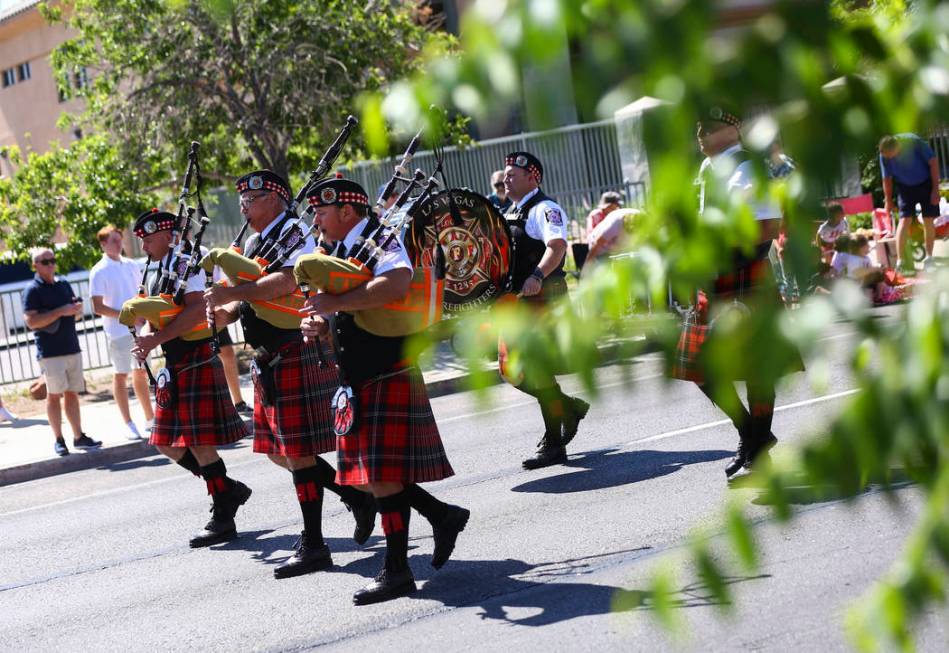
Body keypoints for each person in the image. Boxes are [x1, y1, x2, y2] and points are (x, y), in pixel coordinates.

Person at [300, 177, 469, 605]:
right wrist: (321, 323)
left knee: (380, 476)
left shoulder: (379, 238)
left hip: (385, 367)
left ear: (348, 211)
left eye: (322, 211)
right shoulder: (337, 250)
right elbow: (344, 304)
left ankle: (397, 570)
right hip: (356, 372)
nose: (316, 218)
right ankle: (441, 516)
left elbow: (395, 284)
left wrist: (334, 306)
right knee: (375, 477)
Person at [204, 170, 376, 579]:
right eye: (242, 198)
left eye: (255, 196)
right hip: (266, 355)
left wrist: (234, 294)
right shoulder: (251, 242)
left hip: (295, 348)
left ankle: (314, 544)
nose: (245, 204)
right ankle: (353, 494)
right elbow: (240, 299)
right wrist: (219, 312)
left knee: (297, 452)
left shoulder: (297, 233)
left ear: (279, 199)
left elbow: (283, 282)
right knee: (279, 451)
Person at [670, 105, 802, 479]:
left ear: (736, 129)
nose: (701, 133)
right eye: (699, 126)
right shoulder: (706, 168)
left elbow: (767, 229)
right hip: (713, 278)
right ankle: (752, 434)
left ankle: (756, 447)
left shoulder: (748, 167)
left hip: (744, 274)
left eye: (710, 126)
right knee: (699, 367)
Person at [129, 209, 251, 548]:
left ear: (169, 235)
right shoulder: (152, 268)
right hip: (174, 360)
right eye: (142, 240)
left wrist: (155, 338)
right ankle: (227, 488)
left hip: (196, 357)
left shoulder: (187, 263)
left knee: (199, 442)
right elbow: (156, 310)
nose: (145, 245)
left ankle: (223, 514)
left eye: (149, 238)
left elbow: (197, 310)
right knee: (165, 442)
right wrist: (144, 335)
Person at [500, 151, 590, 469]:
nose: (506, 178)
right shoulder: (513, 211)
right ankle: (569, 407)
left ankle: (553, 444)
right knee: (511, 368)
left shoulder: (545, 209)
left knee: (536, 369)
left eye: (513, 174)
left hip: (543, 299)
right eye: (506, 173)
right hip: (518, 304)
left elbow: (557, 247)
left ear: (532, 177)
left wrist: (537, 276)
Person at [22, 247, 101, 457]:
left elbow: (73, 313)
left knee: (72, 394)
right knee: (54, 396)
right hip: (50, 352)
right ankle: (59, 440)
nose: (50, 264)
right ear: (35, 266)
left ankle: (79, 436)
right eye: (45, 261)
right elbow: (31, 321)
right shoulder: (32, 290)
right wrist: (61, 311)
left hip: (71, 346)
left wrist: (75, 310)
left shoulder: (64, 284)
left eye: (52, 260)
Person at [89, 225, 155, 440]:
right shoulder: (99, 270)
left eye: (120, 240)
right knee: (121, 374)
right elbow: (98, 307)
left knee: (141, 372)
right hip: (118, 332)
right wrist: (127, 316)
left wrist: (145, 314)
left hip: (139, 328)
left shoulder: (131, 264)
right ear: (103, 244)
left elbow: (141, 292)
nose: (119, 244)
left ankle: (149, 418)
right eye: (113, 241)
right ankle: (128, 422)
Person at [879, 133, 941, 270]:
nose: (890, 159)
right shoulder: (884, 155)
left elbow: (933, 162)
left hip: (926, 183)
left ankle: (929, 258)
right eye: (887, 157)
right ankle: (900, 262)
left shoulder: (914, 142)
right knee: (904, 219)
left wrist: (936, 189)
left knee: (928, 219)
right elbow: (887, 179)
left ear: (897, 147)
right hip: (905, 187)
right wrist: (888, 201)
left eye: (891, 156)